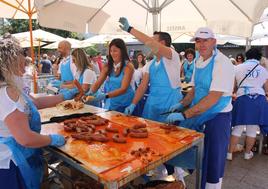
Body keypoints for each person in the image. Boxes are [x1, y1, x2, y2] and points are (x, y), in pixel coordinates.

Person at [0, 34, 78, 189]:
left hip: (19, 156)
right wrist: (52, 139)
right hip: (13, 162)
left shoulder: (10, 87)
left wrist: (64, 96)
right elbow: (26, 139)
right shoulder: (7, 92)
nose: (25, 61)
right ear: (11, 61)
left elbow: (35, 102)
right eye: (22, 57)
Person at [165, 27, 235, 189]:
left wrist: (185, 115)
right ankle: (182, 176)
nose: (202, 44)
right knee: (197, 156)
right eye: (198, 40)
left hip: (217, 117)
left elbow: (213, 97)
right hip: (200, 113)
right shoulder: (199, 60)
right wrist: (181, 105)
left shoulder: (222, 63)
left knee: (213, 162)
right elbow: (194, 89)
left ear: (214, 42)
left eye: (206, 40)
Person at [120, 17, 183, 123]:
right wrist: (133, 104)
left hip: (170, 105)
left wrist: (130, 29)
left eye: (153, 40)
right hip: (152, 105)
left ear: (162, 43)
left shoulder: (172, 56)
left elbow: (148, 42)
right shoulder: (150, 64)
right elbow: (142, 86)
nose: (149, 44)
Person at [227, 48, 268, 161]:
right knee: (252, 129)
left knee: (237, 128)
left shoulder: (238, 67)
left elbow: (233, 87)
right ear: (259, 57)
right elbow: (267, 89)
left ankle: (229, 153)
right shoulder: (263, 70)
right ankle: (247, 153)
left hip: (242, 98)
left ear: (247, 56)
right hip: (258, 100)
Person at [85, 38, 135, 112]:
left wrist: (105, 96)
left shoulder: (128, 66)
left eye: (115, 51)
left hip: (126, 103)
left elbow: (123, 89)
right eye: (111, 51)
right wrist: (90, 92)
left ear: (122, 51)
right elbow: (98, 83)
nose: (112, 53)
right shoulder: (107, 66)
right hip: (113, 102)